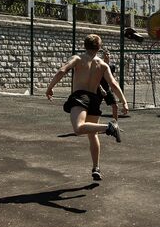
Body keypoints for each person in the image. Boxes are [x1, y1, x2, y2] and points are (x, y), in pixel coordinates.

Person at [46, 34, 128, 181]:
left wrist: (50, 87)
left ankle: (110, 127)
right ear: (99, 48)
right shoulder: (103, 65)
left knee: (78, 128)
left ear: (84, 46)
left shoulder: (77, 59)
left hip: (81, 97)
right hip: (94, 99)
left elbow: (62, 70)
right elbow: (113, 84)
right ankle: (96, 168)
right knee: (92, 134)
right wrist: (124, 101)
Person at [98, 49, 118, 119]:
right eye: (105, 54)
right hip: (98, 89)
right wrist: (101, 89)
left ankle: (115, 126)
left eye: (108, 54)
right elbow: (96, 79)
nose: (107, 56)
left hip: (107, 89)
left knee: (115, 106)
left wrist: (113, 87)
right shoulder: (100, 66)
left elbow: (111, 78)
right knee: (95, 108)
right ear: (102, 56)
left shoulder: (112, 67)